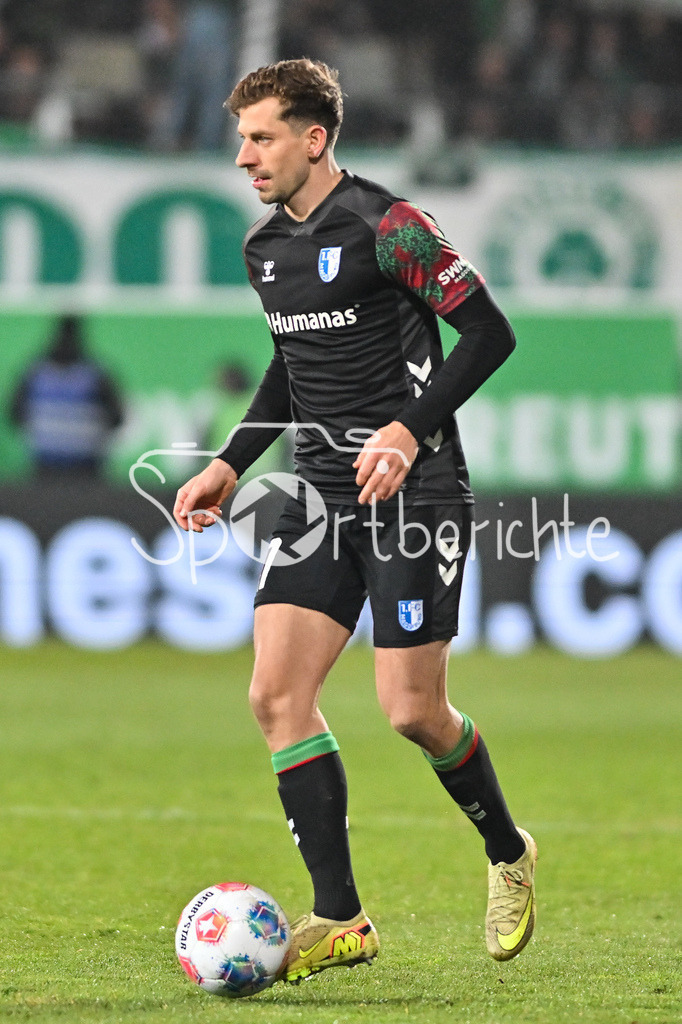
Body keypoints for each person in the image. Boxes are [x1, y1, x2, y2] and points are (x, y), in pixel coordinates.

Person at [173, 58, 537, 983]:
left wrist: (411, 432)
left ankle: (507, 850)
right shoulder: (266, 250)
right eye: (243, 137)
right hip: (323, 501)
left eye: (260, 137)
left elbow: (490, 331)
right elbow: (290, 367)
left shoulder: (392, 227)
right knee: (274, 695)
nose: (245, 155)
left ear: (313, 137)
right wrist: (228, 462)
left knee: (411, 711)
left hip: (415, 495)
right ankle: (341, 917)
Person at [10, 313, 124, 476]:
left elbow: (15, 414)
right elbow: (116, 418)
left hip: (80, 468)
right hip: (53, 467)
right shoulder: (96, 374)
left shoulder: (35, 372)